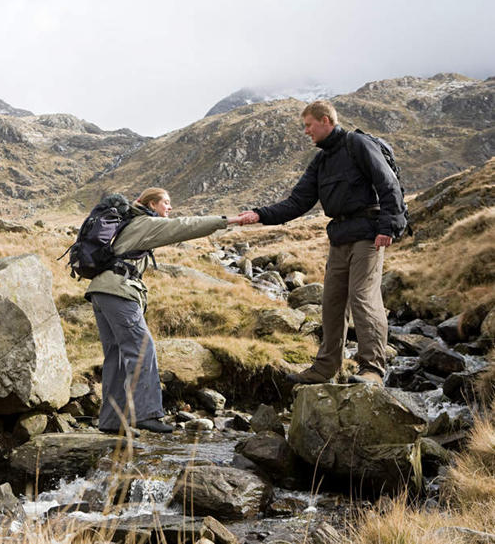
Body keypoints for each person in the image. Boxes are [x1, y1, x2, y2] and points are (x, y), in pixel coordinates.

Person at [235, 101, 407, 386]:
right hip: (339, 236)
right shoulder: (321, 161)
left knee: (363, 297)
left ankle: (373, 369)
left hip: (368, 233)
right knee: (331, 302)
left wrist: (389, 226)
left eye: (308, 125)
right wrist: (259, 215)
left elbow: (386, 183)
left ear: (325, 120)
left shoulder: (358, 145)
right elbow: (297, 202)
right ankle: (325, 368)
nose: (306, 132)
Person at [86, 188, 242, 433]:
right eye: (166, 203)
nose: (169, 208)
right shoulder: (146, 223)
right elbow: (184, 226)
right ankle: (146, 414)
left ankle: (111, 421)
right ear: (152, 204)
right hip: (117, 292)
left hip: (100, 293)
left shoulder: (131, 223)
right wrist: (227, 221)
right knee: (142, 349)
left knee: (116, 357)